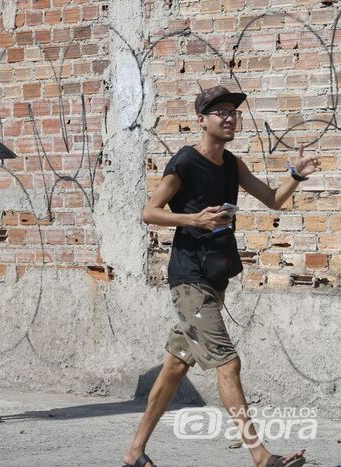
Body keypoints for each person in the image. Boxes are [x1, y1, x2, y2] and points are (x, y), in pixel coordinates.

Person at [122, 86, 320, 467]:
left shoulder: (233, 164)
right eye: (220, 112)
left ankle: (134, 452)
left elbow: (273, 199)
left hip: (215, 275)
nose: (230, 118)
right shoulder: (184, 162)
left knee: (177, 365)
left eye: (233, 112)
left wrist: (295, 174)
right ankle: (260, 456)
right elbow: (151, 212)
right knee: (228, 363)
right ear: (202, 120)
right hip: (189, 276)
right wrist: (193, 219)